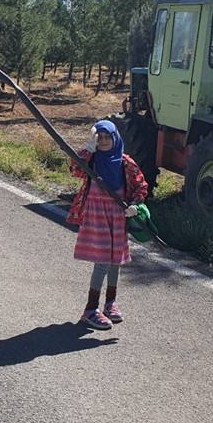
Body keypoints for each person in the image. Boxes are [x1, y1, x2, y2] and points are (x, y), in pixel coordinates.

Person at [66, 120, 148, 330]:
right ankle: (90, 309)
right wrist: (87, 148)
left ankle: (110, 303)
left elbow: (141, 185)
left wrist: (135, 206)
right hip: (97, 215)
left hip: (117, 215)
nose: (103, 141)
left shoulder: (125, 162)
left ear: (115, 138)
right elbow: (74, 169)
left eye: (106, 137)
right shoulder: (91, 160)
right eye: (99, 138)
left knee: (115, 261)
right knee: (102, 261)